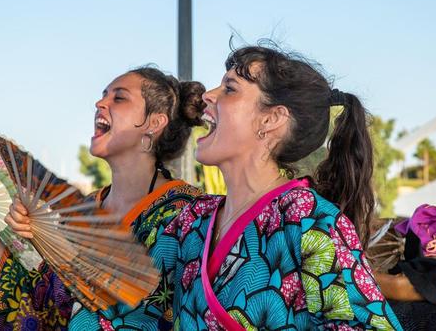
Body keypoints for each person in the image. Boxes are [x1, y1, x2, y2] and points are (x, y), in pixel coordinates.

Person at [146, 43, 403, 330]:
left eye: (230, 89)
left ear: (271, 119)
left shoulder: (309, 220)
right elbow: (124, 299)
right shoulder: (193, 221)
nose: (208, 95)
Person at [0, 66, 206, 330]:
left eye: (119, 98)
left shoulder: (188, 214)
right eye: (103, 95)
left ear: (154, 123)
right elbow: (39, 304)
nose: (100, 103)